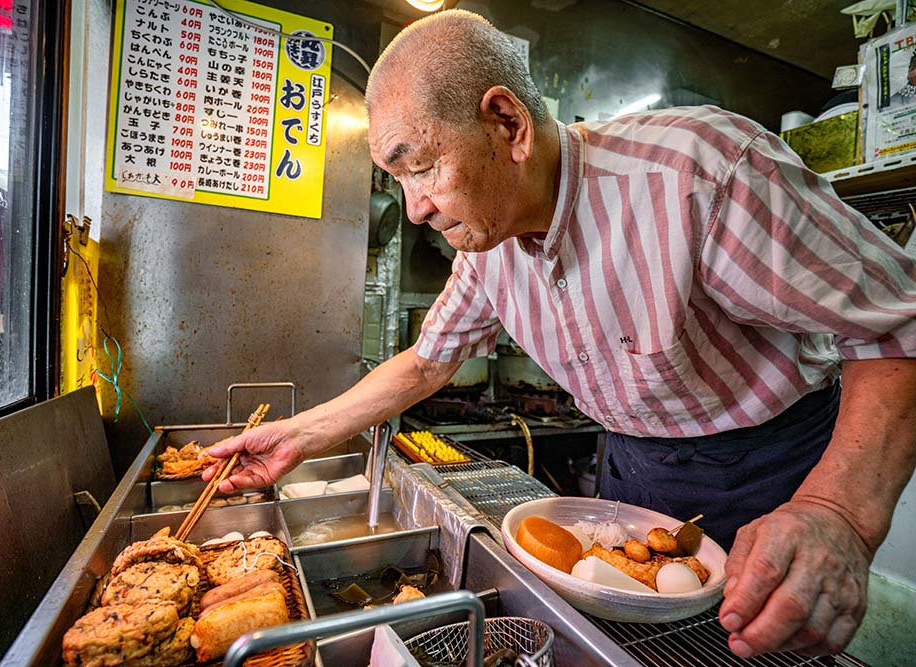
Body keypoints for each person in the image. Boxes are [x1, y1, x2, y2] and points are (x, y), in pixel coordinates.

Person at [204, 9, 916, 659]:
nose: (415, 210)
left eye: (419, 168)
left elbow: (897, 323)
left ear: (507, 124)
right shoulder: (487, 249)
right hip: (630, 470)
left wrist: (838, 513)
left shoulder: (699, 174)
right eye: (399, 182)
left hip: (769, 469)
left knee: (759, 647)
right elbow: (426, 363)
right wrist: (297, 436)